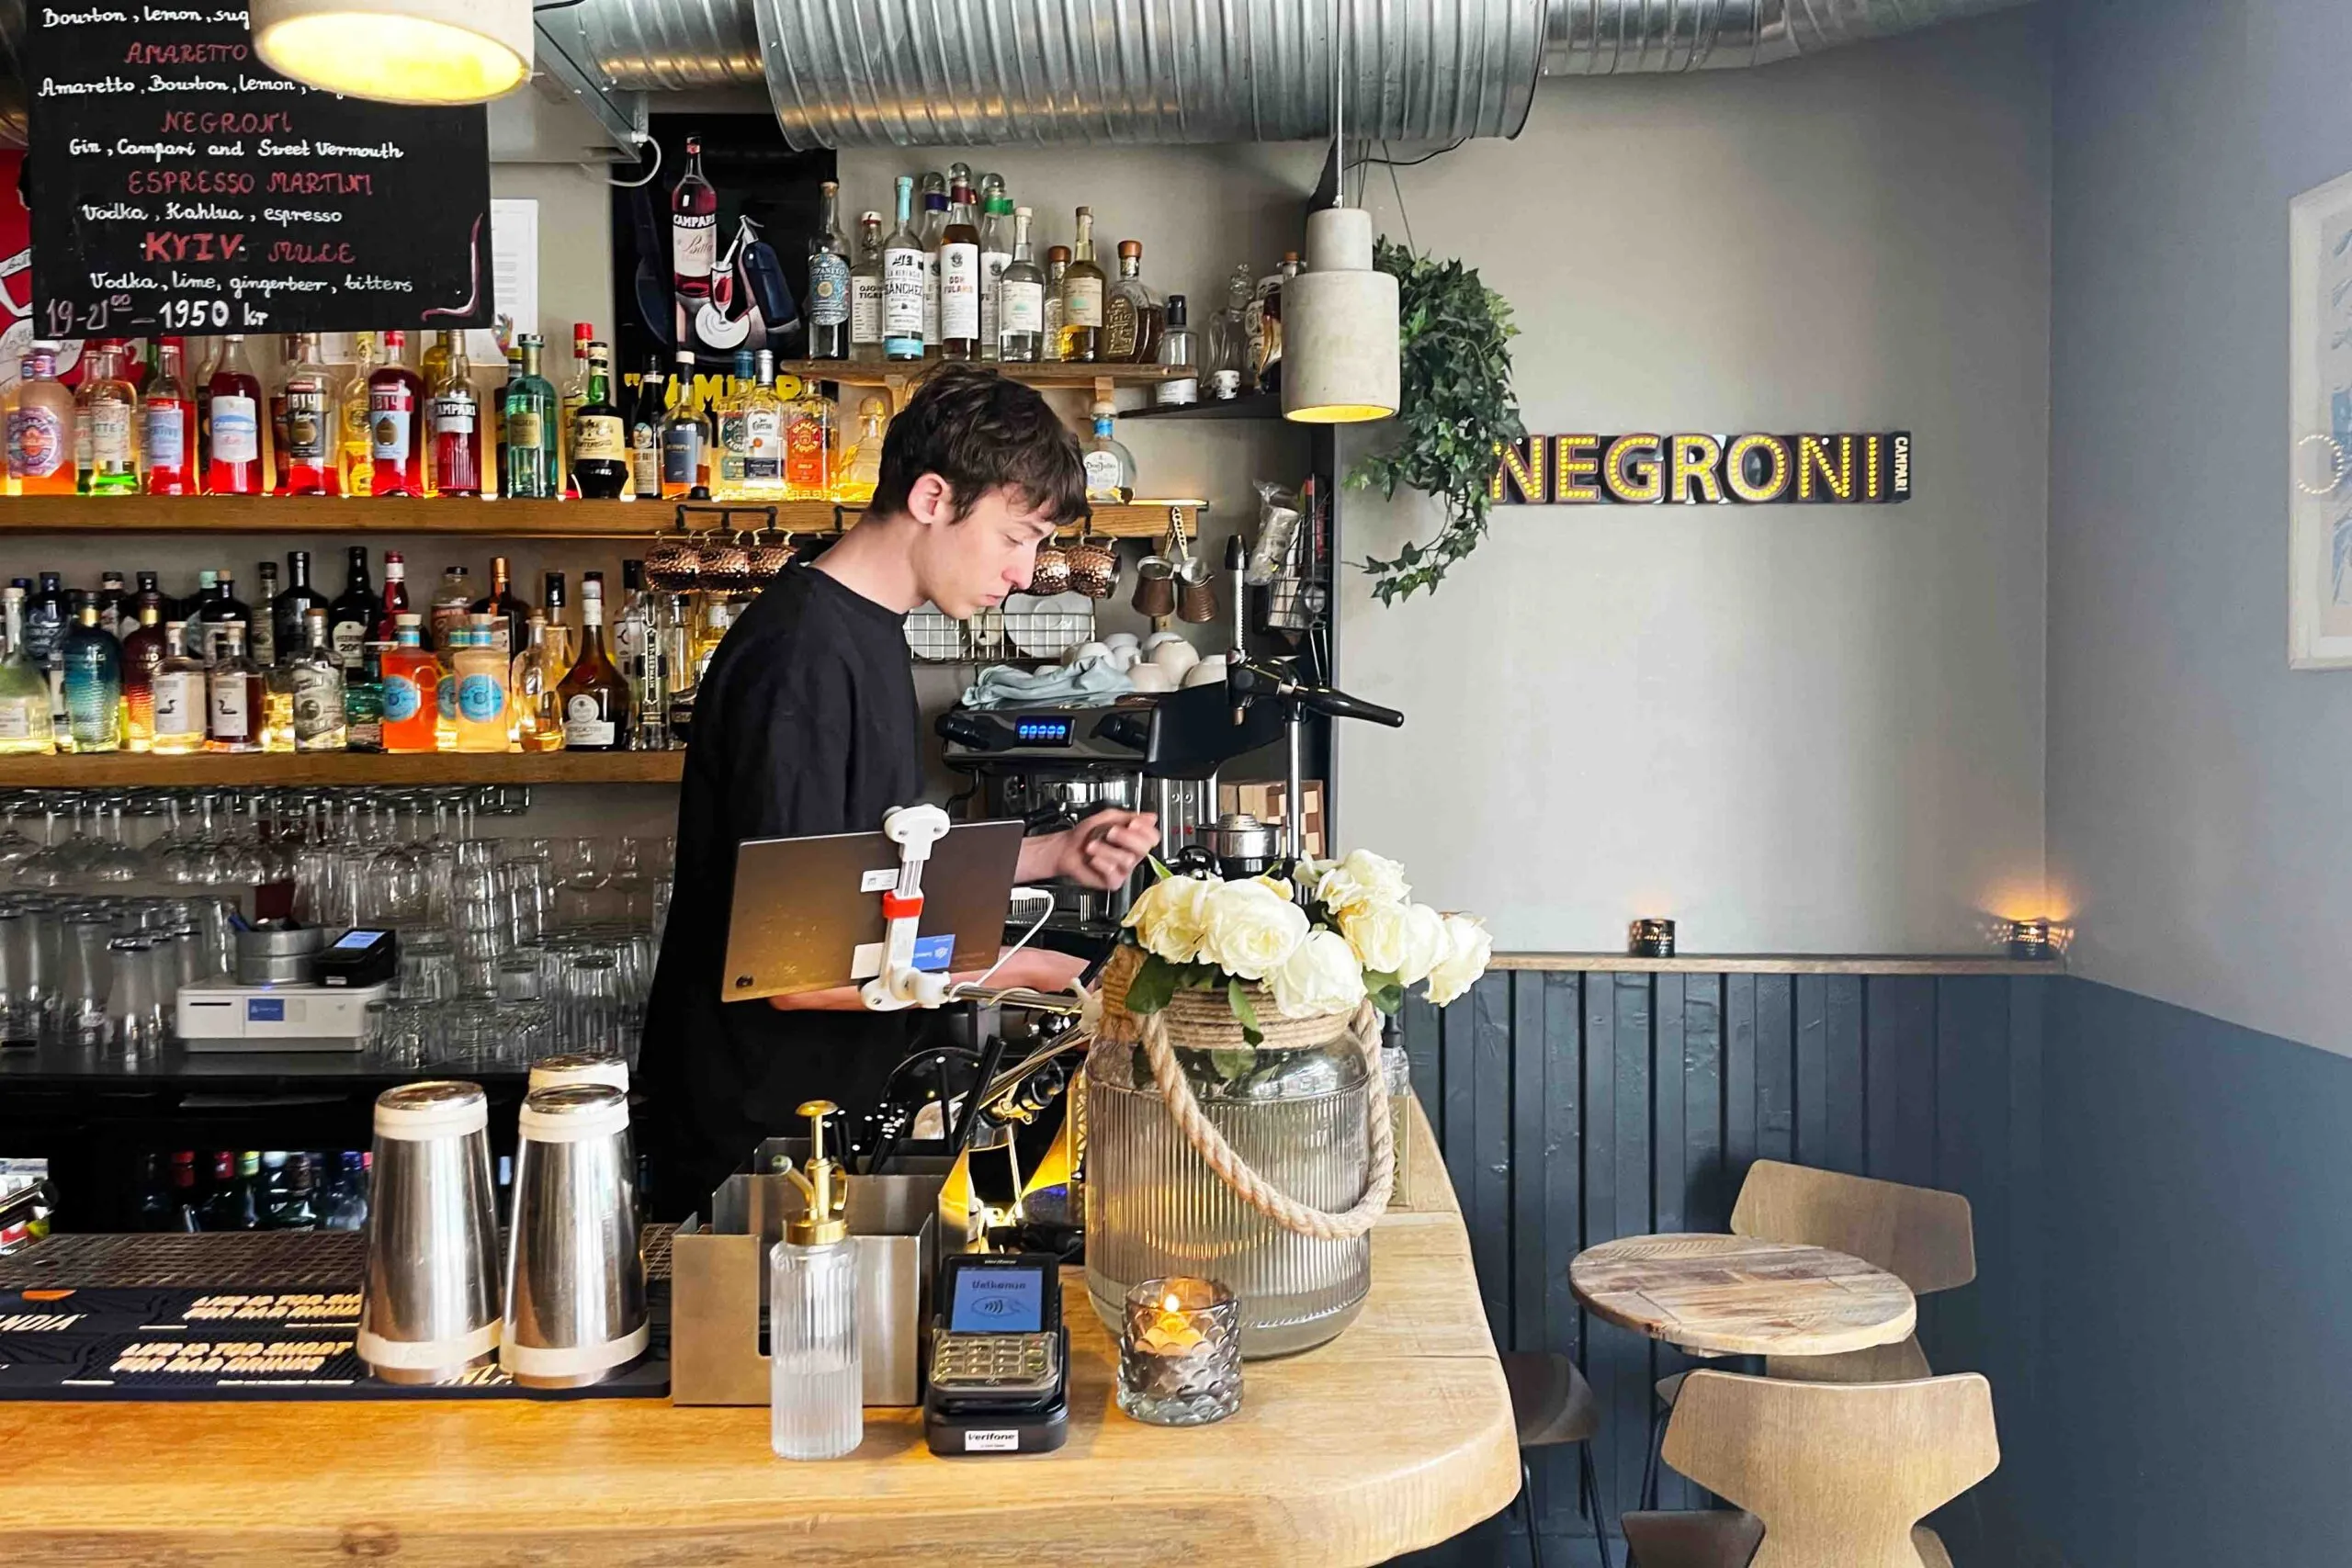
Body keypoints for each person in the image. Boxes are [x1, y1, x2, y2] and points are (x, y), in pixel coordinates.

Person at [640, 367, 1161, 1214]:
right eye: (1016, 537)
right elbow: (796, 970)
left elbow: (873, 869)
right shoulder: (802, 659)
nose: (1025, 572)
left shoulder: (868, 629)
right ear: (931, 497)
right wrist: (1038, 969)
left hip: (822, 1123)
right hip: (758, 1149)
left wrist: (1052, 854)